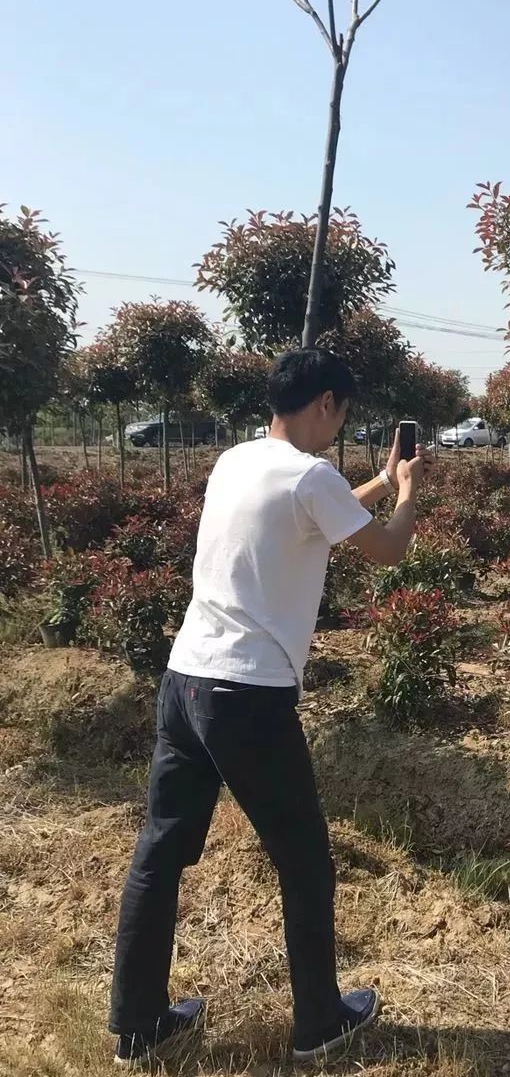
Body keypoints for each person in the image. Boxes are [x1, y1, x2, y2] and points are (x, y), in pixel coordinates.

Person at [109, 349, 433, 1068]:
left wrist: (379, 477)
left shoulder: (238, 461)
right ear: (323, 403)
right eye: (340, 413)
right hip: (247, 697)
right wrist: (407, 490)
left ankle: (136, 1024)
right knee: (306, 858)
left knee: (161, 851)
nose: (338, 425)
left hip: (186, 680)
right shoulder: (311, 476)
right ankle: (319, 1019)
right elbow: (385, 548)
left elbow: (315, 512)